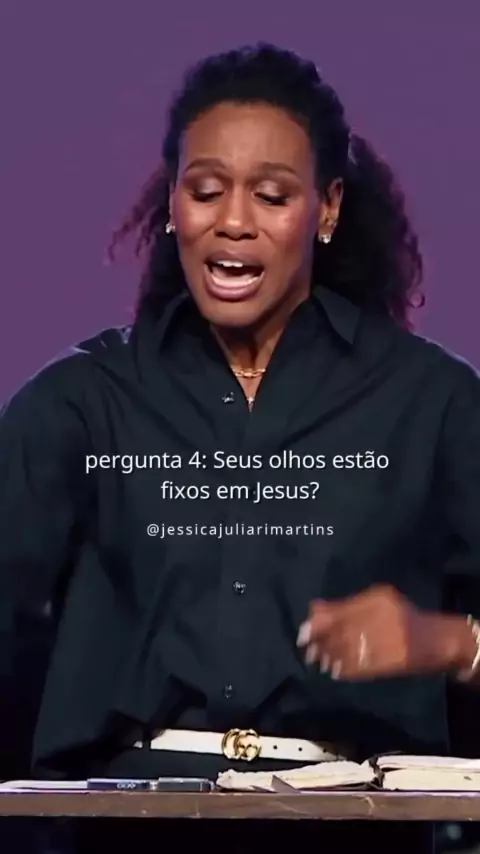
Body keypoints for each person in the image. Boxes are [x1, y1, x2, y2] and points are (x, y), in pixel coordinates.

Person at [1, 41, 480, 853]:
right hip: (129, 827)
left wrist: (444, 641)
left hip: (356, 827)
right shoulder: (80, 402)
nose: (233, 220)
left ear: (326, 209)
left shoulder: (432, 402)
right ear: (173, 204)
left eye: (272, 194)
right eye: (206, 190)